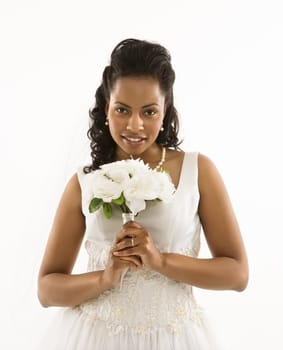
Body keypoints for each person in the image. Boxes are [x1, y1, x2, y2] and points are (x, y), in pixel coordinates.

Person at [37, 38, 249, 349]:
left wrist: (160, 261)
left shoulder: (198, 171)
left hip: (173, 338)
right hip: (96, 338)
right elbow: (47, 289)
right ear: (106, 108)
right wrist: (104, 278)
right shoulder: (84, 182)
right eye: (122, 109)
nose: (134, 125)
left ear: (165, 111)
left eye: (149, 112)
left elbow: (237, 274)